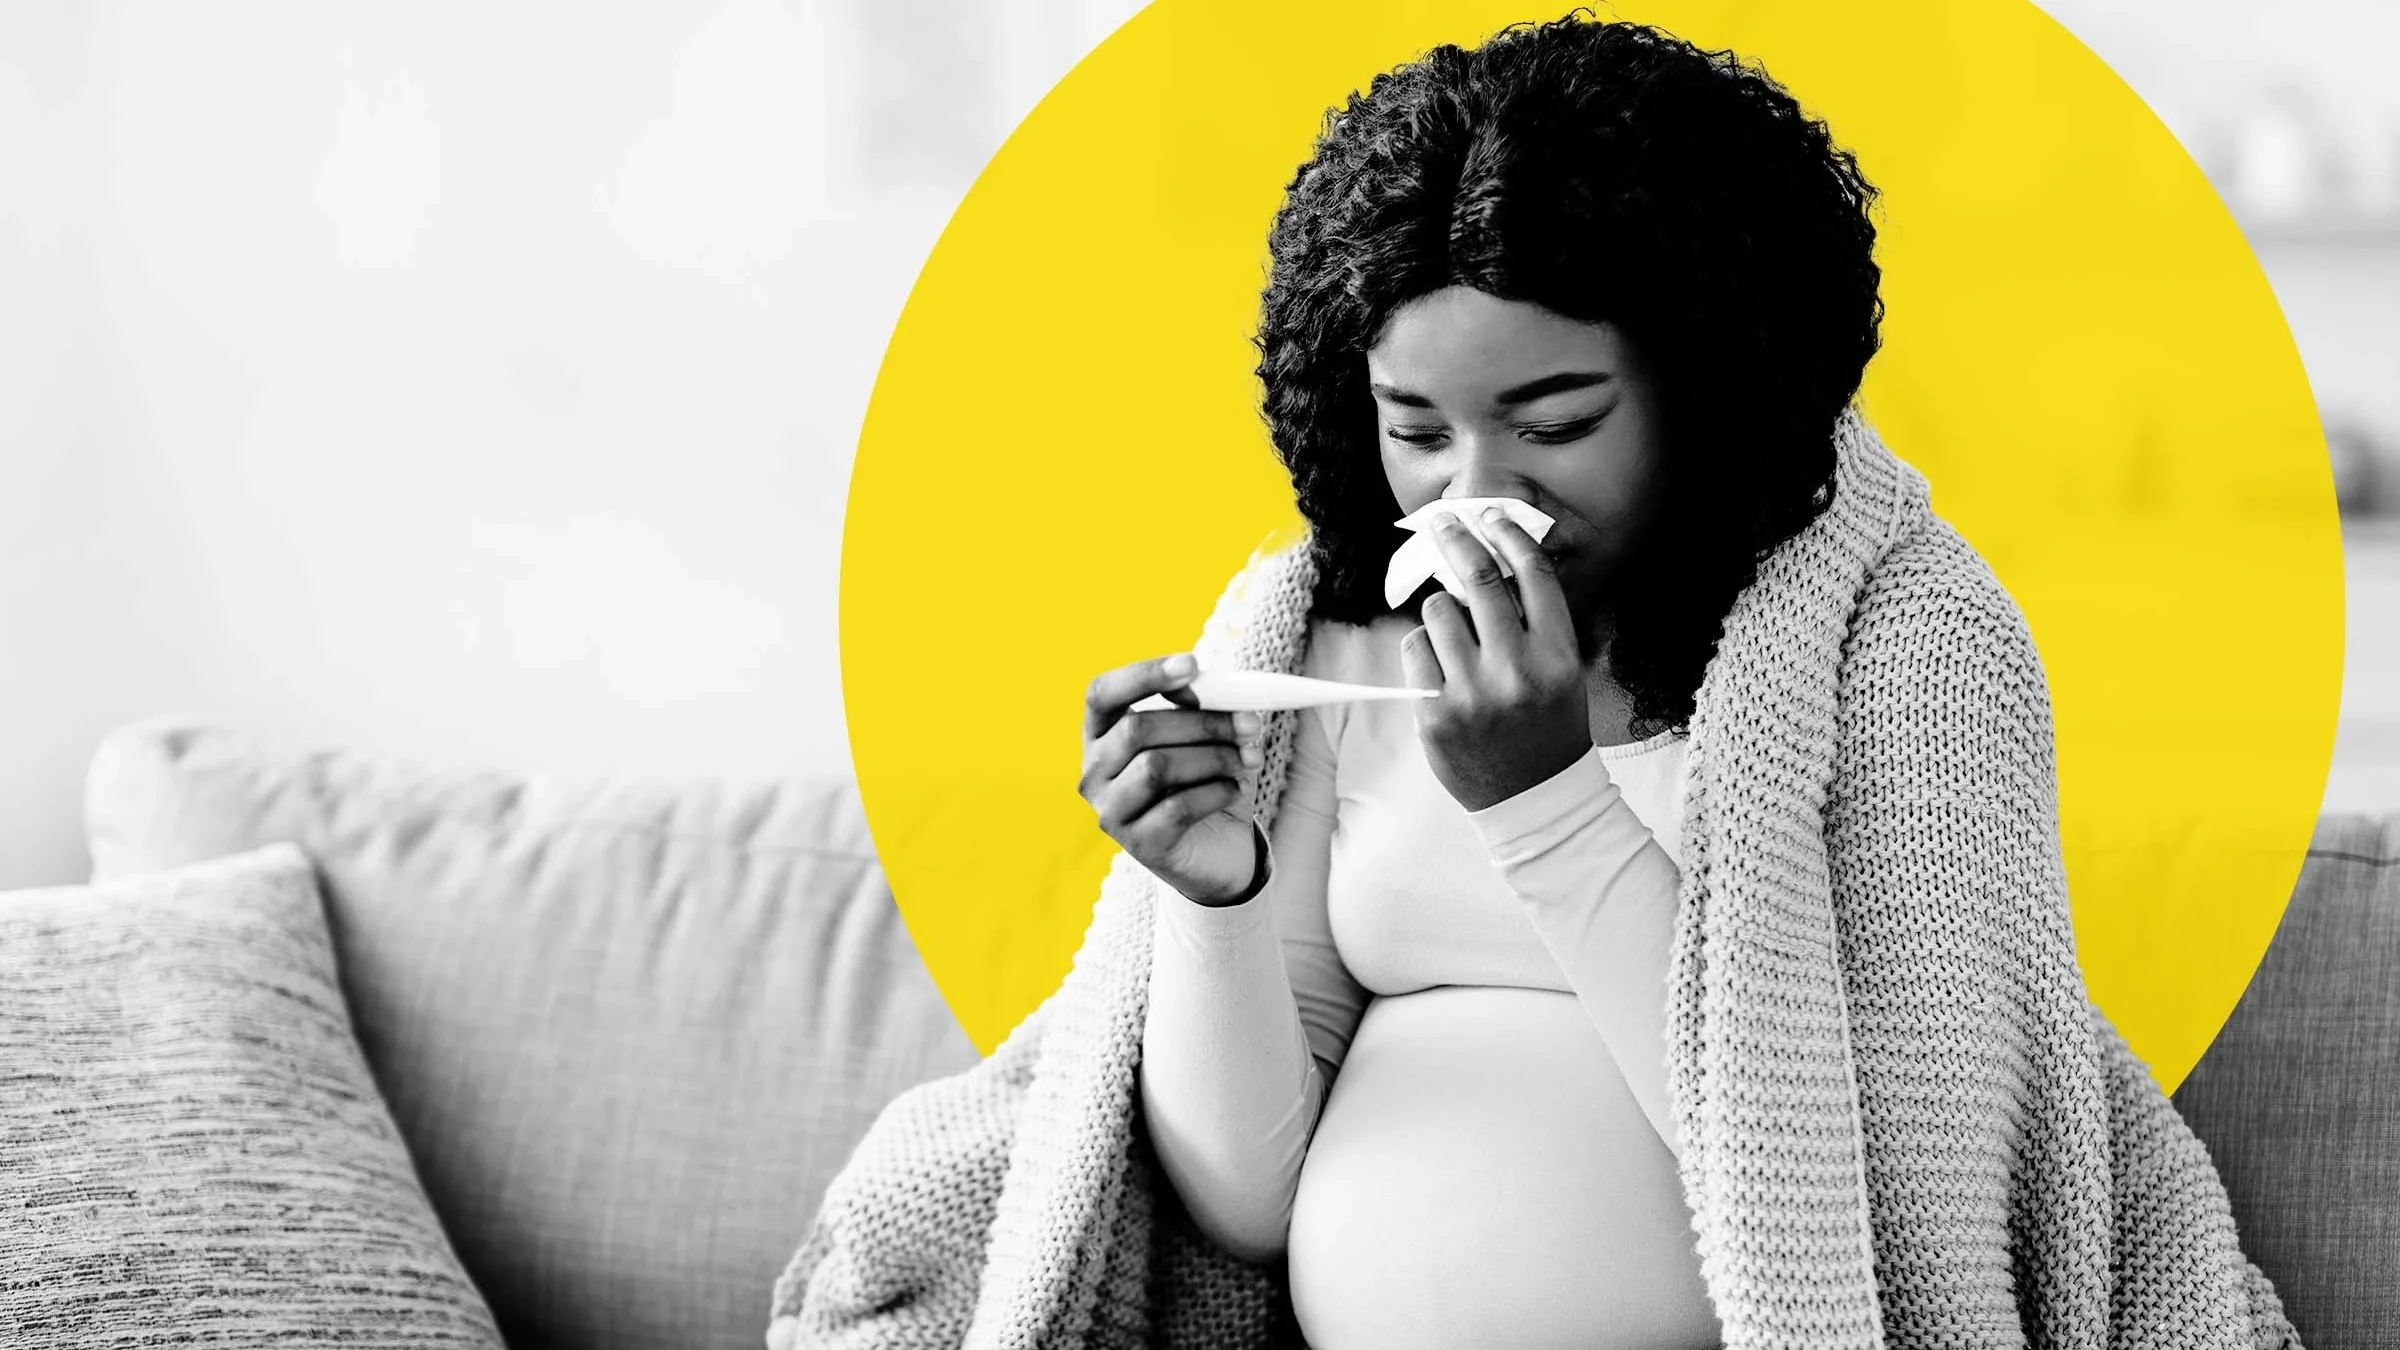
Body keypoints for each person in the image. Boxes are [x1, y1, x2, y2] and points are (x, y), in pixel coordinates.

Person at [772, 14, 2295, 1350]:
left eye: (1555, 420)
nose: (1469, 497)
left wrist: (1548, 803)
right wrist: (1216, 894)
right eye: (1416, 429)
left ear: (1713, 383)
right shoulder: (1320, 634)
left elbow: (1897, 1209)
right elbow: (1240, 1207)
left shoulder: (1905, 648)